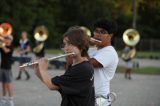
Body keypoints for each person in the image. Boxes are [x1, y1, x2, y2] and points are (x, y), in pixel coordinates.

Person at [34, 26, 95, 106]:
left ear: (80, 44)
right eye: (65, 44)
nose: (66, 48)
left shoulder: (83, 68)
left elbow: (51, 85)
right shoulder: (75, 65)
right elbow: (57, 86)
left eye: (69, 44)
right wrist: (38, 71)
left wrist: (43, 70)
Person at [88, 18, 119, 106]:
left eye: (103, 32)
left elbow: (86, 64)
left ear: (110, 35)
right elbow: (72, 65)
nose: (98, 35)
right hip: (87, 99)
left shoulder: (109, 52)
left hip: (99, 102)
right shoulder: (91, 50)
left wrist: (83, 44)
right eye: (96, 31)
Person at [0, 35, 14, 106]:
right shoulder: (2, 46)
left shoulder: (11, 47)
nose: (6, 39)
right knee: (3, 85)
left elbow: (6, 51)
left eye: (7, 39)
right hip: (2, 67)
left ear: (11, 40)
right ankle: (3, 99)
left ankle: (11, 100)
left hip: (7, 68)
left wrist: (2, 44)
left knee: (8, 85)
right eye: (5, 38)